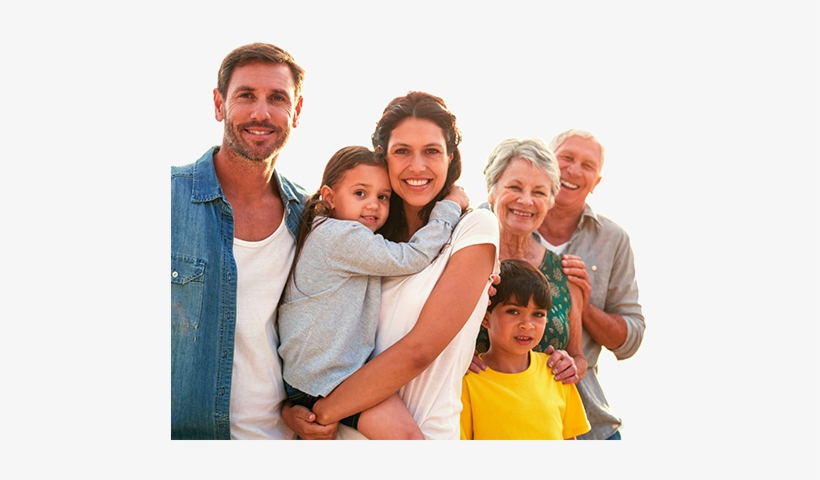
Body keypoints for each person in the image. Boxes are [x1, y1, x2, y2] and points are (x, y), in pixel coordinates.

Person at [289, 91, 499, 440]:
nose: (417, 166)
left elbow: (420, 351)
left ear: (450, 157)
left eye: (431, 151)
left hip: (414, 434)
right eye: (402, 151)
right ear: (383, 158)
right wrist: (292, 407)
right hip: (331, 437)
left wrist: (321, 411)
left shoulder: (474, 228)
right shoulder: (366, 235)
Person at [171, 43, 332, 440]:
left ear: (296, 112)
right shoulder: (165, 199)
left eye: (277, 98)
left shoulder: (314, 218)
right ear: (219, 103)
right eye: (246, 95)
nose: (261, 113)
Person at [277, 145, 469, 439]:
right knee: (410, 441)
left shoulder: (328, 232)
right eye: (360, 193)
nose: (373, 205)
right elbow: (412, 257)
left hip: (314, 378)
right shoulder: (340, 236)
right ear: (328, 197)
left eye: (383, 197)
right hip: (328, 378)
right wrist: (450, 206)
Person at [535, 129, 645, 440]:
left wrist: (582, 307)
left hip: (588, 423)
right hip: (506, 411)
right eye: (566, 158)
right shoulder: (498, 219)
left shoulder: (612, 240)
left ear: (596, 182)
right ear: (546, 162)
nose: (573, 170)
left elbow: (630, 339)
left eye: (587, 165)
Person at [474, 138, 587, 381]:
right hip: (465, 409)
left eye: (539, 192)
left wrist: (571, 366)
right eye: (514, 187)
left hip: (538, 415)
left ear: (550, 202)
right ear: (491, 191)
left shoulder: (565, 273)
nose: (526, 201)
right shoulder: (462, 258)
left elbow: (578, 356)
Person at [460, 259, 590, 440]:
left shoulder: (557, 373)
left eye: (538, 314)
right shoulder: (467, 382)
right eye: (513, 311)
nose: (527, 325)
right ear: (485, 317)